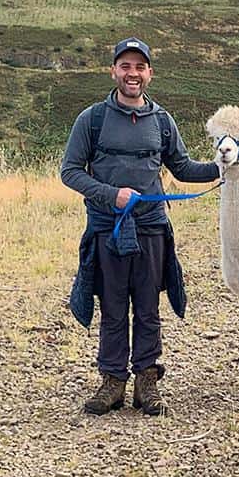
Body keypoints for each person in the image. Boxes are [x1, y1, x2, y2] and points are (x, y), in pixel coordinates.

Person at [61, 37, 220, 416]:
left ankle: (146, 384)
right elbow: (69, 172)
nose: (133, 74)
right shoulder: (92, 119)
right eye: (125, 66)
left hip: (151, 228)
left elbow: (182, 168)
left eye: (140, 67)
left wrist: (225, 166)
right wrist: (109, 194)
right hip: (108, 229)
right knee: (113, 307)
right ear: (113, 71)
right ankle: (112, 382)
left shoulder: (162, 122)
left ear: (150, 73)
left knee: (148, 308)